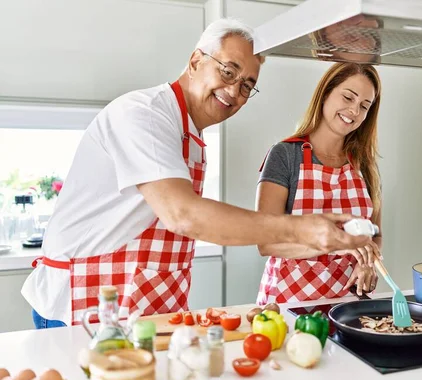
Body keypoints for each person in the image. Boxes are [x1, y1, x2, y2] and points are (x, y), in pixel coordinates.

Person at [21, 19, 371, 328]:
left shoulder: (192, 136)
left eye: (247, 85)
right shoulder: (143, 115)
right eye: (228, 71)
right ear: (195, 61)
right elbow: (183, 215)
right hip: (84, 305)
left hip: (145, 309)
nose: (234, 91)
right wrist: (304, 229)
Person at [255, 62, 383, 305]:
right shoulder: (285, 155)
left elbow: (376, 235)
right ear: (325, 93)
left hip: (350, 304)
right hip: (290, 303)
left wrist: (369, 263)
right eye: (348, 97)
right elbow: (266, 242)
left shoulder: (364, 165)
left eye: (364, 106)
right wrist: (336, 247)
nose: (354, 111)